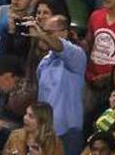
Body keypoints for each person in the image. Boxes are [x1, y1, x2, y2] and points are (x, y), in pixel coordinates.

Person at [33, 14, 84, 155]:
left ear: (64, 33)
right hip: (45, 132)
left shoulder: (77, 56)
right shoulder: (44, 62)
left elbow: (60, 46)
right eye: (43, 31)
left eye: (49, 33)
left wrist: (42, 35)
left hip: (69, 133)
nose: (43, 36)